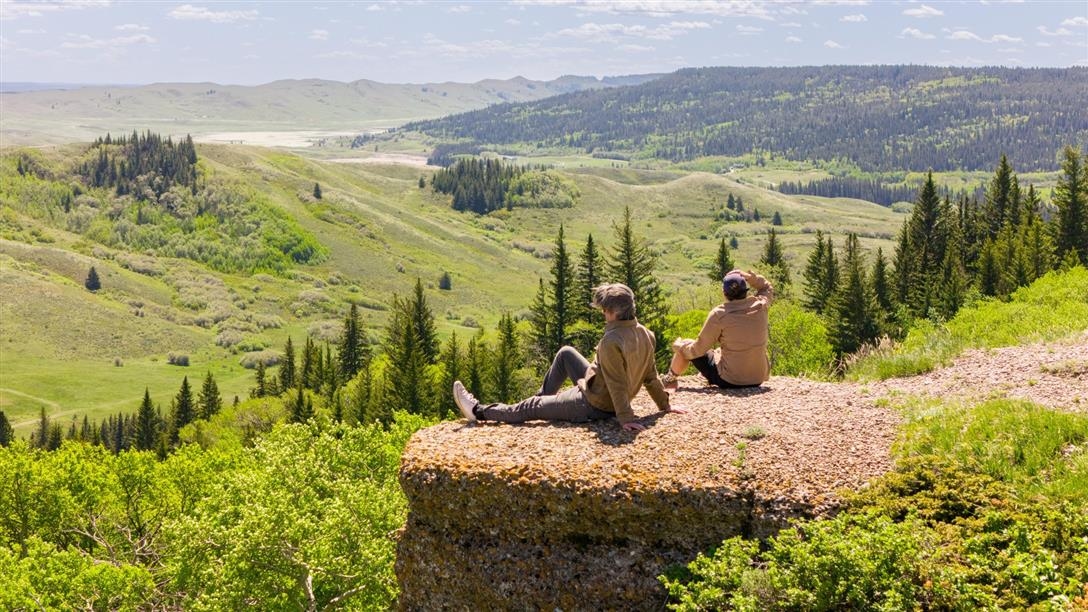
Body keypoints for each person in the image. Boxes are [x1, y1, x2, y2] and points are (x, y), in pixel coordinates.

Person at [453, 283, 681, 432]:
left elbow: (617, 383)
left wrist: (625, 418)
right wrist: (664, 405)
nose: (603, 314)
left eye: (604, 310)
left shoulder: (612, 341)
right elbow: (650, 375)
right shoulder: (645, 334)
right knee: (565, 354)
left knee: (531, 407)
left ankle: (478, 411)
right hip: (598, 385)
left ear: (613, 312)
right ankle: (544, 401)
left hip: (594, 404)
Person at [663, 269, 773, 390]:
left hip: (730, 380)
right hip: (758, 378)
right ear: (745, 290)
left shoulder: (719, 314)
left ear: (724, 293)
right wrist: (750, 277)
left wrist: (679, 347)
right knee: (721, 351)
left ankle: (669, 381)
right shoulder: (761, 305)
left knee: (686, 345)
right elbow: (766, 287)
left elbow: (698, 349)